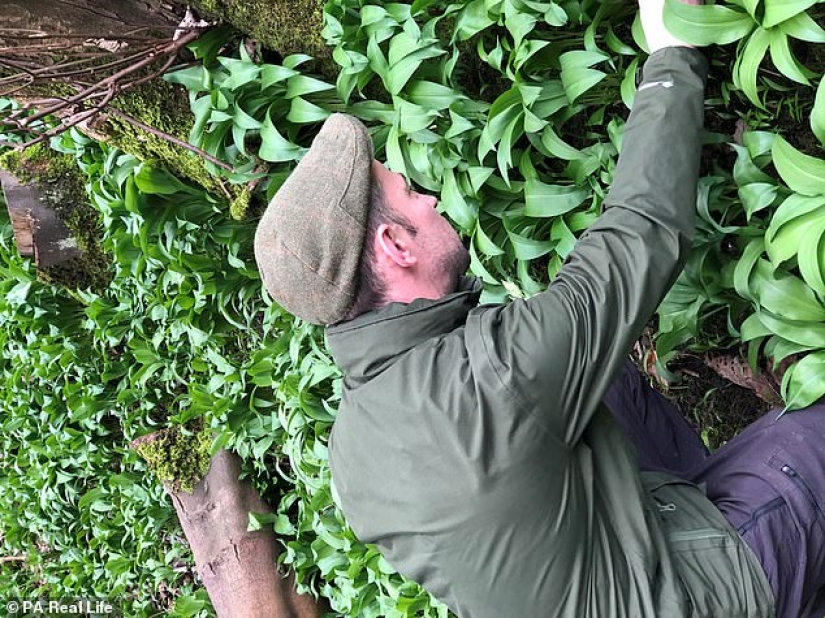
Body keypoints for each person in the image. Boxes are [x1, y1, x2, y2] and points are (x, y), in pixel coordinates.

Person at [254, 0, 825, 615]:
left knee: (607, 382)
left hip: (606, 554)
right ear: (395, 246)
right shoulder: (489, 378)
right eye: (412, 192)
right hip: (683, 600)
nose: (431, 200)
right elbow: (640, 235)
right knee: (811, 444)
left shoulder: (354, 449)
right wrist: (672, 51)